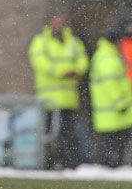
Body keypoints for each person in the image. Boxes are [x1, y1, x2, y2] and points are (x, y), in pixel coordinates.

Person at [28, 14, 89, 169]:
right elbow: (40, 63)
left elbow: (83, 61)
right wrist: (62, 72)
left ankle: (68, 163)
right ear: (49, 23)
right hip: (49, 100)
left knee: (68, 135)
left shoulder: (73, 42)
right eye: (56, 22)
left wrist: (75, 71)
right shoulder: (40, 41)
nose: (59, 25)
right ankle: (47, 163)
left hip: (69, 100)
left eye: (62, 22)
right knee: (47, 135)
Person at [89, 28, 132, 167]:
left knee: (112, 152)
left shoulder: (106, 55)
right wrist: (120, 104)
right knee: (113, 154)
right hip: (114, 115)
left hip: (111, 117)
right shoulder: (108, 58)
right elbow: (111, 85)